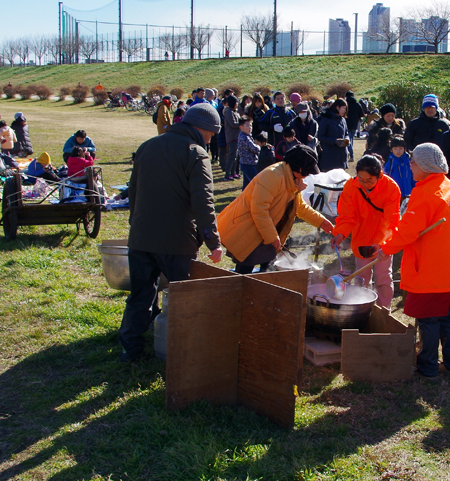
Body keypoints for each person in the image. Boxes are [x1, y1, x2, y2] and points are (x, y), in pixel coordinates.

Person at [119, 102, 223, 362]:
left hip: (141, 237)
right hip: (177, 241)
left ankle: (130, 350)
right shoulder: (196, 153)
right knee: (183, 297)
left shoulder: (147, 146)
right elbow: (204, 202)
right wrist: (213, 241)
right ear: (202, 129)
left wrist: (136, 224)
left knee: (140, 295)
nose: (211, 140)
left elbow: (133, 192)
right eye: (211, 134)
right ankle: (184, 350)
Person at [376, 143, 450, 380]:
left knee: (429, 320)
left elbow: (408, 231)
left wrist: (386, 249)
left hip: (432, 269)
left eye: (413, 162)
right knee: (448, 318)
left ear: (425, 165)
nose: (410, 165)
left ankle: (428, 367)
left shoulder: (425, 193)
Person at [218, 145, 335, 275]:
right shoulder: (272, 176)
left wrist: (321, 221)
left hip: (267, 229)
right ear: (299, 168)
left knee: (268, 268)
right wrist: (272, 237)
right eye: (307, 172)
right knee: (244, 271)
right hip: (250, 229)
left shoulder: (293, 178)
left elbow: (300, 206)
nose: (307, 176)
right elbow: (259, 210)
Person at [332, 155, 402, 308]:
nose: (365, 184)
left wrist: (380, 243)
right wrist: (340, 234)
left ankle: (384, 311)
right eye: (361, 180)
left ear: (380, 175)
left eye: (369, 180)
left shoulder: (391, 188)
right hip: (361, 237)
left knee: (383, 277)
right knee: (361, 277)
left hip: (384, 239)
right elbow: (346, 215)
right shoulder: (351, 185)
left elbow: (390, 221)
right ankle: (361, 309)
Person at [317, 98, 350, 172]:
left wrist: (347, 140)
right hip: (329, 158)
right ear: (337, 107)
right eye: (344, 108)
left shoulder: (343, 120)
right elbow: (320, 136)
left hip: (341, 157)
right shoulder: (326, 119)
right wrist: (334, 141)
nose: (345, 111)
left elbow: (346, 133)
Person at [237, 116, 260, 189]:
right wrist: (259, 146)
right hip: (248, 164)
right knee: (256, 183)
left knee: (246, 185)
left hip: (245, 163)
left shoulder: (246, 136)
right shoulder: (245, 138)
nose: (250, 127)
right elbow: (255, 149)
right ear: (241, 127)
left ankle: (244, 199)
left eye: (250, 125)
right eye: (247, 126)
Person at [222, 96, 241, 181]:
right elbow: (233, 124)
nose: (237, 105)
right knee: (232, 157)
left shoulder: (235, 112)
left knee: (235, 157)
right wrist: (242, 124)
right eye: (236, 103)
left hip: (237, 137)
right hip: (232, 137)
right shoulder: (229, 112)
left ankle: (233, 173)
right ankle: (227, 174)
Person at [345, 91, 364, 160]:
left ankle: (350, 155)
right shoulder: (357, 104)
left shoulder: (345, 104)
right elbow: (362, 114)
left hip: (346, 124)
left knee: (347, 140)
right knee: (351, 140)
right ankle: (350, 154)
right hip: (354, 124)